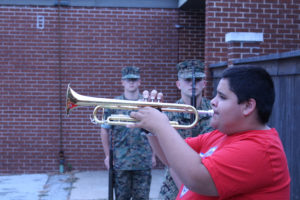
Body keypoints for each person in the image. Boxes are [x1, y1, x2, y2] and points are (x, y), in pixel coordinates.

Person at [128, 65, 291, 199]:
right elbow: (171, 157)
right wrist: (151, 130)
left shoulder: (260, 149)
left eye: (222, 97)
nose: (213, 102)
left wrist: (162, 125)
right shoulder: (225, 132)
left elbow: (197, 178)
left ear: (248, 106)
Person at [159, 60, 213, 200]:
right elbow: (167, 156)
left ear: (204, 83)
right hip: (175, 183)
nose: (193, 84)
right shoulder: (169, 112)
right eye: (188, 80)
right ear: (178, 84)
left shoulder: (215, 111)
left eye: (197, 79)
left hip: (209, 180)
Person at [100, 66, 156, 200]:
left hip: (143, 161)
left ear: (139, 82)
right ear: (122, 82)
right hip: (120, 162)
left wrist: (154, 155)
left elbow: (155, 131)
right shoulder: (113, 105)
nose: (131, 82)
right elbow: (104, 130)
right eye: (128, 80)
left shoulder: (148, 104)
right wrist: (108, 156)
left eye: (134, 79)